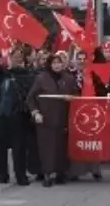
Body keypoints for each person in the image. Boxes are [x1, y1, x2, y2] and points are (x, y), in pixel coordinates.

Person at [26, 51, 79, 186]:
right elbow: (30, 98)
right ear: (49, 64)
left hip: (63, 118)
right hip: (46, 119)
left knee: (61, 147)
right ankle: (47, 174)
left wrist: (72, 99)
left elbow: (77, 97)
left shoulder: (68, 79)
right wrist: (36, 113)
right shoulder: (41, 78)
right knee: (46, 147)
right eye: (54, 63)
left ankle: (61, 173)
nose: (57, 65)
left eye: (59, 62)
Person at [0, 47, 37, 185]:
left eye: (20, 56)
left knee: (19, 146)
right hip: (2, 113)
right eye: (15, 56)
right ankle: (2, 175)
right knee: (1, 145)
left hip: (19, 113)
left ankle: (20, 175)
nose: (18, 59)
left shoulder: (28, 75)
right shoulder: (2, 74)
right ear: (10, 57)